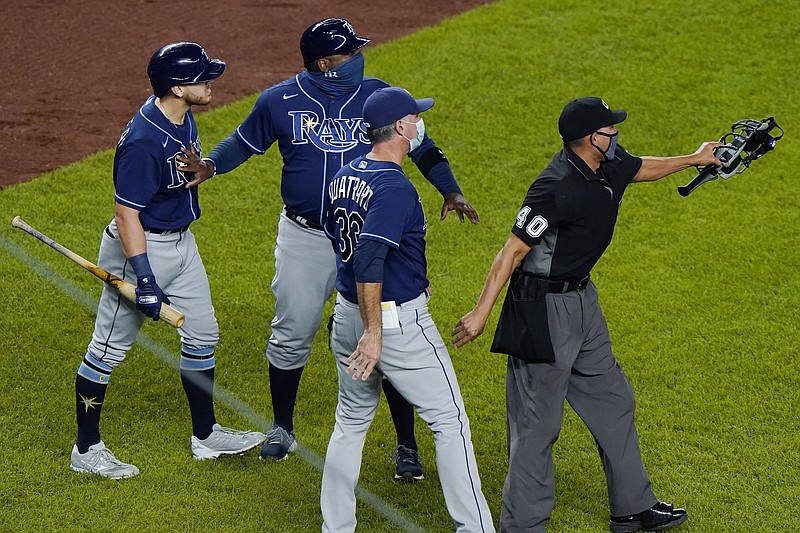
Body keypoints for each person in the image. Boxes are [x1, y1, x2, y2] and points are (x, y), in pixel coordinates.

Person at [176, 18, 479, 478]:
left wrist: (449, 190)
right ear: (324, 63)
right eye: (350, 53)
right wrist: (211, 166)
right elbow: (244, 142)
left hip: (370, 237)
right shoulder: (280, 100)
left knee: (389, 336)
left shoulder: (378, 97)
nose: (359, 59)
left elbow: (423, 148)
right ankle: (282, 428)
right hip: (306, 238)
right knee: (292, 330)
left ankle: (406, 444)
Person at [451, 96, 722, 532]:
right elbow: (511, 252)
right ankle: (522, 527)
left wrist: (694, 159)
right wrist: (481, 312)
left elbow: (641, 168)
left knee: (614, 399)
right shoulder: (554, 186)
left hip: (583, 302)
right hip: (541, 309)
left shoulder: (606, 164)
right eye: (610, 129)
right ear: (591, 139)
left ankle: (632, 509)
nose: (616, 133)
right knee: (537, 428)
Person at [69, 42, 267, 480]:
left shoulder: (179, 112)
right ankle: (86, 449)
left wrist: (205, 167)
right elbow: (126, 215)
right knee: (107, 349)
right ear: (177, 87)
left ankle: (206, 435)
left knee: (203, 334)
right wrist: (143, 279)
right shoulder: (143, 142)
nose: (210, 82)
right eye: (201, 77)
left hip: (181, 244)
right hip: (141, 249)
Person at [320, 86, 494, 533]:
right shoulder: (394, 186)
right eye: (415, 119)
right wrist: (376, 332)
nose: (419, 124)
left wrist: (413, 275)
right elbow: (369, 260)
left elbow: (349, 246)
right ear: (399, 127)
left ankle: (335, 528)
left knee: (351, 423)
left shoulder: (344, 174)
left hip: (346, 313)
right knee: (450, 422)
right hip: (392, 323)